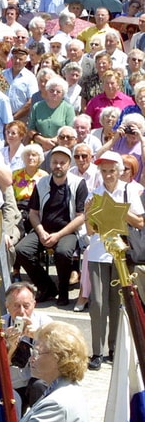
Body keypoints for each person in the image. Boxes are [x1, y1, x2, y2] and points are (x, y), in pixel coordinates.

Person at [85, 151, 144, 370]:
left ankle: (115, 348)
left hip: (122, 253)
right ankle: (97, 351)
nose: (108, 175)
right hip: (99, 253)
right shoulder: (94, 193)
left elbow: (139, 222)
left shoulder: (129, 190)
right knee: (98, 303)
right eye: (104, 171)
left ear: (119, 172)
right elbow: (90, 231)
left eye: (112, 171)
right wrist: (88, 211)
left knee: (118, 303)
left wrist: (119, 209)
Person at [14, 146, 88, 306]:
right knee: (21, 250)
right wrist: (41, 232)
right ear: (50, 164)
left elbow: (81, 216)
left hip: (68, 231)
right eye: (55, 162)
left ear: (69, 164)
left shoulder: (78, 184)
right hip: (43, 229)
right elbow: (33, 213)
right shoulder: (42, 183)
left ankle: (63, 291)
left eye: (62, 163)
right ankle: (46, 287)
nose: (58, 166)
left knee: (63, 252)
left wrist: (58, 235)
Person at [19, 321, 88, 422]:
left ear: (59, 357)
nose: (31, 357)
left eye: (38, 352)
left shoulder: (58, 403)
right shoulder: (63, 391)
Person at [2, 283, 52, 411]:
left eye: (26, 306)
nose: (22, 312)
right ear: (7, 306)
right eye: (16, 306)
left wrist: (39, 336)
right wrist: (9, 347)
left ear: (34, 304)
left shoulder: (46, 323)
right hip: (13, 384)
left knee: (39, 386)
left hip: (38, 380)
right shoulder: (0, 326)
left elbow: (56, 360)